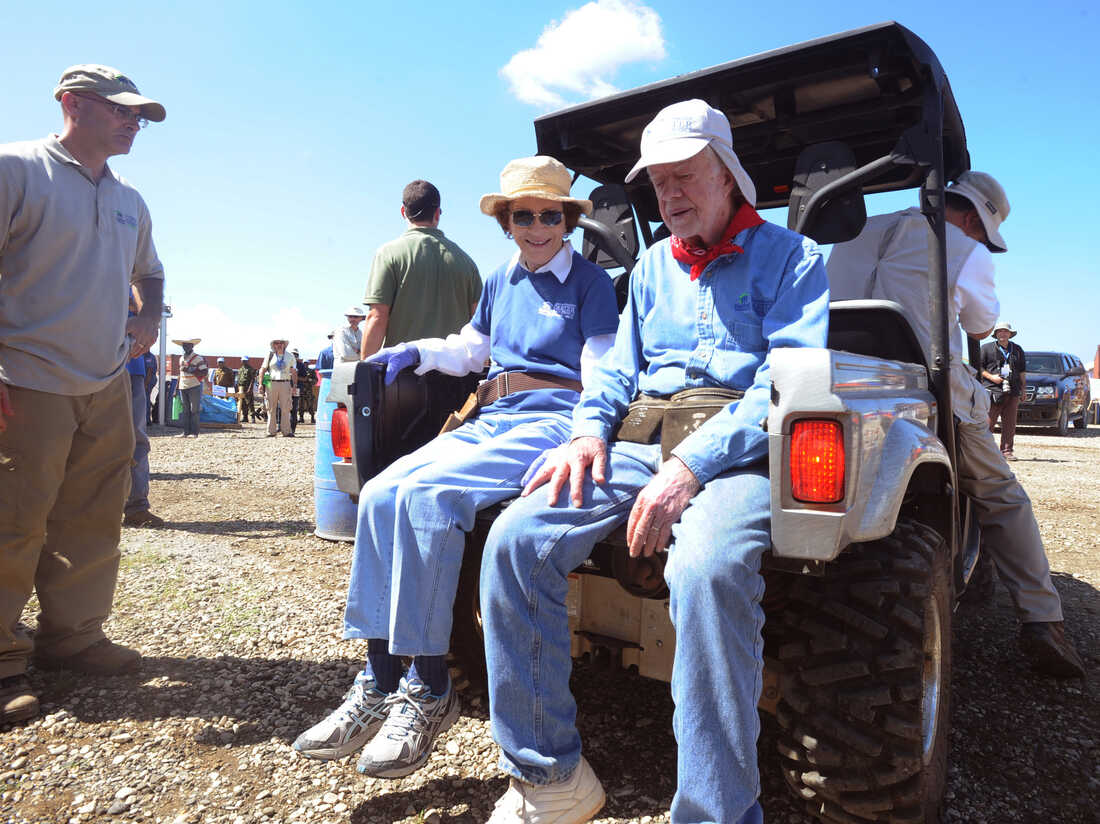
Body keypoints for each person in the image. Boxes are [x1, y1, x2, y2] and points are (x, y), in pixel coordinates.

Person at [478, 101, 829, 824]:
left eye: (685, 176)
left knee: (706, 569)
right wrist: (585, 434)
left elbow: (782, 382)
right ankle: (550, 778)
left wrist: (691, 466)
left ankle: (716, 810)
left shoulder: (793, 259)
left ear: (728, 174)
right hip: (642, 443)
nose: (669, 195)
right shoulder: (645, 271)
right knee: (514, 541)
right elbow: (613, 373)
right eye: (658, 182)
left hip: (741, 452)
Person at [292, 155, 619, 784]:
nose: (537, 227)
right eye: (524, 216)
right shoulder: (500, 280)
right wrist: (414, 351)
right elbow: (473, 349)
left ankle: (430, 685)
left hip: (552, 420)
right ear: (508, 222)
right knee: (385, 491)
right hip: (494, 415)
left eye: (550, 215)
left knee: (432, 497)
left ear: (568, 221)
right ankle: (377, 678)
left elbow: (602, 366)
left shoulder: (590, 284)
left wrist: (587, 432)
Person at [828, 172, 1084, 678]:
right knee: (1002, 496)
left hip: (843, 382)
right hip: (925, 388)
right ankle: (1042, 618)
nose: (978, 239)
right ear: (972, 219)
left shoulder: (854, 232)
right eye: (980, 231)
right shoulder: (965, 249)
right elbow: (979, 326)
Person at [0, 64, 166, 724]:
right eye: (122, 111)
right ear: (72, 103)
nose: (133, 123)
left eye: (139, 117)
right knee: (13, 522)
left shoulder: (130, 198)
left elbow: (150, 273)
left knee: (93, 520)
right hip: (24, 382)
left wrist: (148, 318)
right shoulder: (16, 171)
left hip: (103, 385)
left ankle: (72, 639)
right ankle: (4, 662)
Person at [359, 180, 482, 359]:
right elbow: (479, 324)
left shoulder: (388, 254)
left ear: (403, 212)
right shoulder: (466, 261)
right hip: (457, 376)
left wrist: (366, 373)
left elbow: (377, 317)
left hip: (402, 375)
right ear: (438, 214)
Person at [123, 294, 164, 528]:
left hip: (131, 368)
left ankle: (136, 506)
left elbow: (147, 305)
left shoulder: (135, 279)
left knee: (136, 440)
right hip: (88, 365)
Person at [981, 321, 1027, 458]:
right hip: (992, 390)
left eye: (1006, 331)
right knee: (988, 423)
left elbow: (1022, 372)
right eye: (1000, 331)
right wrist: (992, 377)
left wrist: (1023, 390)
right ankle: (984, 451)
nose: (1003, 333)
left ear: (1010, 334)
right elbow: (978, 368)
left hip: (1013, 391)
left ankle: (1007, 451)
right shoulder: (986, 348)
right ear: (995, 334)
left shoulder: (1017, 349)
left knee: (1010, 424)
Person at [259, 338, 297, 437]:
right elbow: (263, 370)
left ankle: (286, 431)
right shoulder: (270, 355)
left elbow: (293, 371)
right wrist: (260, 384)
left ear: (285, 345)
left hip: (285, 383)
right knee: (271, 407)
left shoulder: (290, 356)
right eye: (276, 343)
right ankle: (271, 431)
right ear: (273, 345)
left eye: (281, 343)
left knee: (286, 408)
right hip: (271, 383)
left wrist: (294, 386)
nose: (279, 345)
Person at [174, 338, 206, 437]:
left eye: (188, 345)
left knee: (194, 410)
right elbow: (180, 374)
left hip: (194, 386)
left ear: (192, 346)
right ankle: (186, 432)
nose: (185, 347)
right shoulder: (181, 358)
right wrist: (176, 388)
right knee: (185, 410)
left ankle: (195, 432)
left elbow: (204, 372)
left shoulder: (198, 358)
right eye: (184, 345)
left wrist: (189, 370)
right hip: (183, 386)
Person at [236, 356, 259, 423]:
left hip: (248, 387)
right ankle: (245, 417)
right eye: (243, 360)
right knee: (242, 403)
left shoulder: (250, 369)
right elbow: (239, 380)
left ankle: (252, 417)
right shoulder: (240, 369)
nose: (244, 362)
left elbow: (252, 380)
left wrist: (250, 388)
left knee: (249, 403)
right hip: (241, 388)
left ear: (248, 361)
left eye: (245, 360)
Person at [297, 357, 317, 424]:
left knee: (310, 405)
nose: (305, 364)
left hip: (308, 391)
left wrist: (310, 380)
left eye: (307, 363)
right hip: (301, 390)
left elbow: (315, 380)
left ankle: (312, 418)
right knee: (300, 405)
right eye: (304, 363)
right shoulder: (300, 370)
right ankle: (301, 418)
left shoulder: (311, 371)